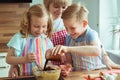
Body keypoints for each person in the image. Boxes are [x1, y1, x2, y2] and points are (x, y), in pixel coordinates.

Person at [46, 2, 120, 76]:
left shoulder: (91, 34)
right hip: (79, 74)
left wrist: (68, 48)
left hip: (95, 73)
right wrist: (68, 66)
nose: (68, 31)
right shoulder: (69, 38)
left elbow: (96, 50)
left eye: (72, 28)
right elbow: (69, 61)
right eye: (66, 27)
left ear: (84, 24)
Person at [6, 4, 53, 77]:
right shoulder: (20, 38)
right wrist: (24, 59)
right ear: (28, 23)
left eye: (44, 26)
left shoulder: (45, 39)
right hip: (25, 77)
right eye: (36, 26)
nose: (40, 30)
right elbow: (8, 59)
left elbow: (49, 60)